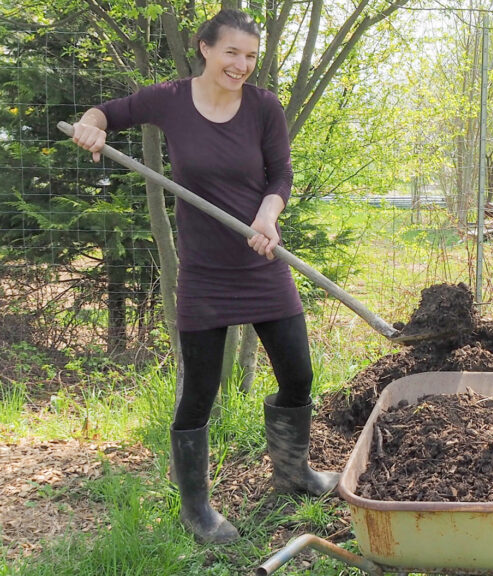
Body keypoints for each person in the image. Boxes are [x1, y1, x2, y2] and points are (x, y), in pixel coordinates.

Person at [71, 8, 339, 544]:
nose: (241, 65)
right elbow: (105, 112)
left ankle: (292, 474)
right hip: (205, 273)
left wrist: (267, 216)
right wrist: (90, 127)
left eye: (250, 56)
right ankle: (196, 508)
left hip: (260, 264)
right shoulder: (169, 99)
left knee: (299, 375)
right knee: (200, 391)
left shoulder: (263, 107)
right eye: (231, 53)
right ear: (204, 48)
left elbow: (280, 173)